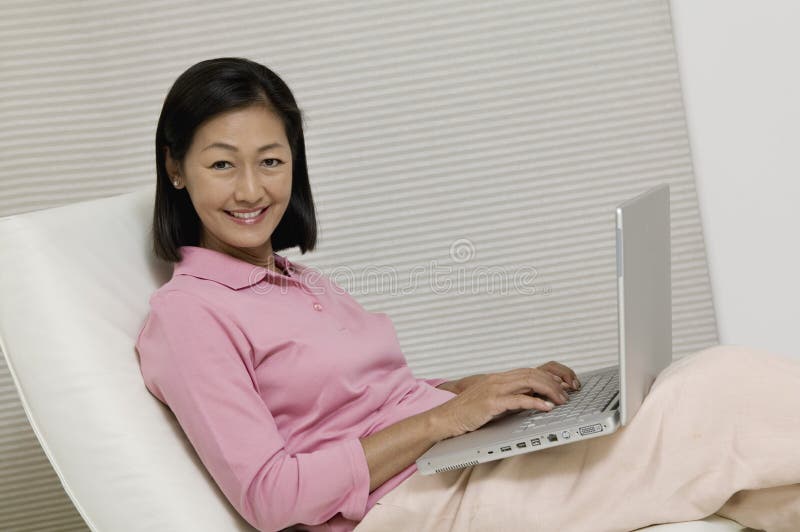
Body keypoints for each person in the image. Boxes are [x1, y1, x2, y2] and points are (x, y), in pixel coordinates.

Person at [135, 57, 800, 532]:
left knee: (742, 464)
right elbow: (270, 496)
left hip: (449, 464)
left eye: (270, 160)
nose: (251, 189)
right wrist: (443, 422)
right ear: (176, 166)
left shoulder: (290, 277)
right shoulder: (190, 315)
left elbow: (366, 397)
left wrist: (481, 390)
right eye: (222, 163)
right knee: (716, 384)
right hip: (411, 507)